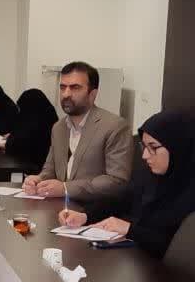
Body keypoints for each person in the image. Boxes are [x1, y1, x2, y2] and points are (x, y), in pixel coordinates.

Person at [58, 111, 195, 259]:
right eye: (145, 147)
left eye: (153, 147)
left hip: (177, 281)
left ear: (179, 147)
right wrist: (85, 216)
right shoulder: (158, 176)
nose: (145, 156)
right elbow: (122, 199)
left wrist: (129, 229)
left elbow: (180, 249)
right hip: (144, 266)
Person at [22, 62, 133, 202]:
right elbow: (50, 170)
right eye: (63, 87)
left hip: (95, 209)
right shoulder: (58, 128)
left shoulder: (115, 126)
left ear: (92, 94)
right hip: (60, 206)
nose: (66, 94)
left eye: (75, 88)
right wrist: (38, 180)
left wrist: (66, 188)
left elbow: (117, 180)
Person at [6, 89, 59, 173]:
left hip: (31, 172)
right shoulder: (51, 119)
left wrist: (9, 141)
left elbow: (14, 147)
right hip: (49, 171)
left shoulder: (31, 125)